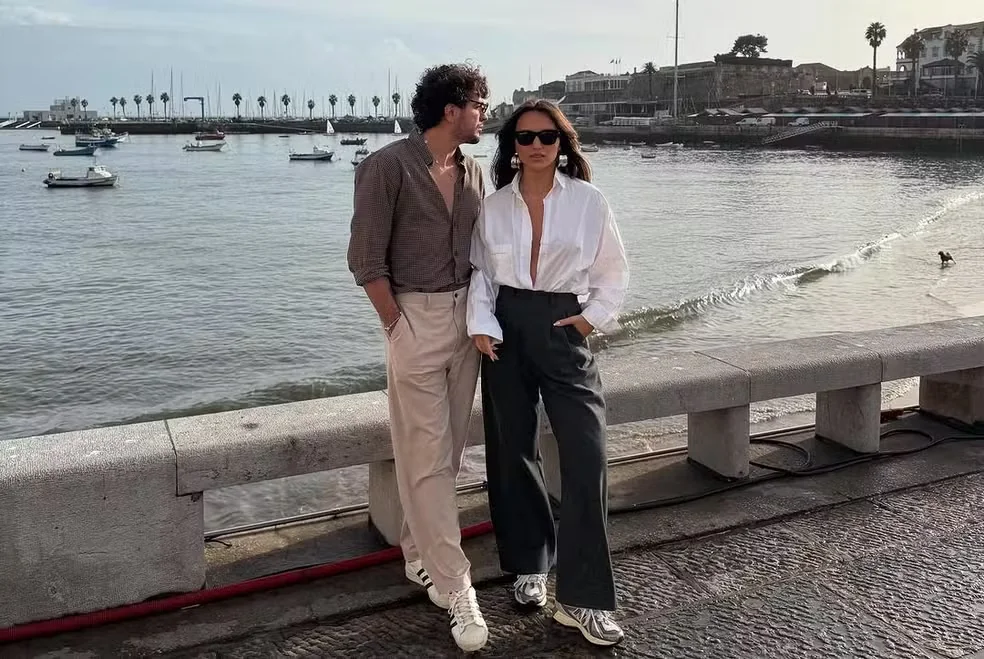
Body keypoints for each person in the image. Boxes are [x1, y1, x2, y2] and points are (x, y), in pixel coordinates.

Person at [466, 99, 629, 647]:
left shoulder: (588, 200)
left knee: (586, 454)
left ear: (562, 144)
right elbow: (481, 275)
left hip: (563, 326)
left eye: (547, 136)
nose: (536, 145)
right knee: (512, 449)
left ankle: (582, 600)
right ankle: (529, 564)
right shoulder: (494, 206)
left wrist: (588, 320)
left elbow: (613, 273)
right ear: (512, 145)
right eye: (525, 137)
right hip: (506, 330)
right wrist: (481, 324)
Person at [347, 63, 491, 653]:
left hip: (467, 321)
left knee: (444, 454)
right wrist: (396, 327)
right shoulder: (386, 167)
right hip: (414, 319)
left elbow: (485, 250)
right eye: (479, 104)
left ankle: (417, 554)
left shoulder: (474, 170)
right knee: (427, 454)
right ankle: (458, 587)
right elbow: (364, 259)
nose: (486, 114)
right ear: (451, 109)